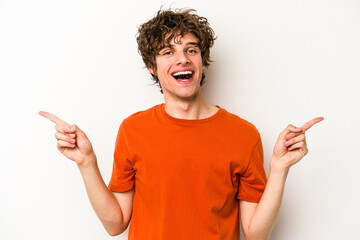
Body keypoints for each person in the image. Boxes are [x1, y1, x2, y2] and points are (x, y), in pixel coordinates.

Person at [39, 8, 323, 240]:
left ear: (202, 59)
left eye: (191, 49)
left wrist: (278, 169)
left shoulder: (243, 134)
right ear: (152, 66)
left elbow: (256, 234)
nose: (182, 59)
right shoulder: (132, 130)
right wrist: (86, 162)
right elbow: (116, 224)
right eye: (167, 52)